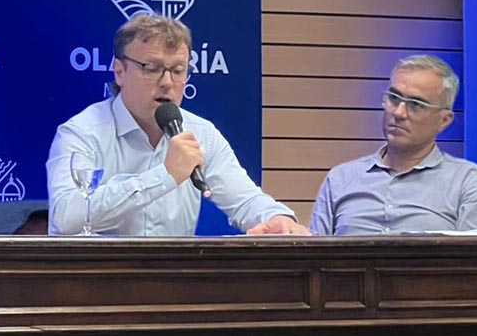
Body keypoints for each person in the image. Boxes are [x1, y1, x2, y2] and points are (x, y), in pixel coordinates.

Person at [47, 14, 308, 236]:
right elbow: (66, 218)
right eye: (152, 68)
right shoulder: (82, 133)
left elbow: (246, 199)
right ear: (120, 71)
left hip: (175, 276)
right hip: (96, 277)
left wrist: (278, 218)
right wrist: (165, 175)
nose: (167, 82)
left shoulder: (201, 133)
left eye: (178, 70)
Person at [310, 55, 477, 235]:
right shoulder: (341, 179)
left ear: (444, 120)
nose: (399, 113)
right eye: (394, 98)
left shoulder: (468, 182)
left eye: (416, 104)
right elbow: (314, 254)